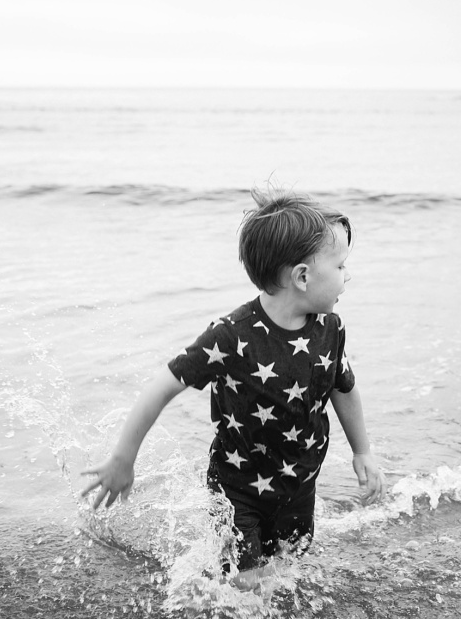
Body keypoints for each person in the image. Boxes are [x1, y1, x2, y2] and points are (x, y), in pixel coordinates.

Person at [82, 186, 385, 589]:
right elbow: (162, 386)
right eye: (341, 266)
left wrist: (362, 450)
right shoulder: (231, 336)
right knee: (241, 585)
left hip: (299, 485)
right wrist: (123, 459)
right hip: (237, 489)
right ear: (302, 276)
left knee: (288, 570)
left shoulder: (331, 329)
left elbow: (342, 388)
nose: (348, 275)